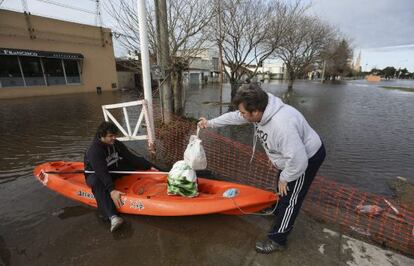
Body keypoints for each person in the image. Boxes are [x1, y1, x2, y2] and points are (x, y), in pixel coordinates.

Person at [198, 84, 326, 254]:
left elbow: (298, 161)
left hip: (306, 158)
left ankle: (278, 239)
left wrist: (285, 177)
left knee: (291, 197)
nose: (241, 115)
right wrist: (210, 123)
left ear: (256, 112)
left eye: (244, 113)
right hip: (291, 155)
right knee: (282, 189)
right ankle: (278, 210)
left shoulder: (282, 125)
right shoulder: (260, 108)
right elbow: (234, 117)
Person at [84, 121, 153, 232]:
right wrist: (112, 190)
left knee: (131, 163)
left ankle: (155, 170)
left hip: (112, 169)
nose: (114, 138)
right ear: (102, 135)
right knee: (97, 182)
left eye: (115, 135)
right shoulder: (94, 151)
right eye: (111, 136)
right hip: (96, 174)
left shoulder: (115, 143)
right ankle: (113, 217)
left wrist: (150, 166)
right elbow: (102, 172)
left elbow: (131, 157)